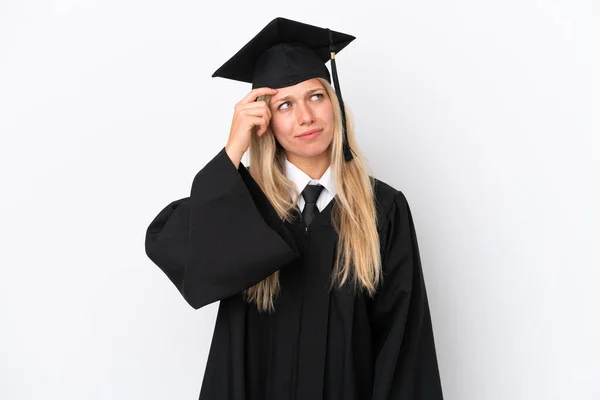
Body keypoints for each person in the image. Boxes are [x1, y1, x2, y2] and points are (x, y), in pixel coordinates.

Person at [144, 17, 444, 400]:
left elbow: (404, 348)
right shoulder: (242, 201)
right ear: (265, 121)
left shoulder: (382, 209)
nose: (306, 117)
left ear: (334, 105)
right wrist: (232, 153)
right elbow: (175, 246)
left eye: (316, 96)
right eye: (285, 104)